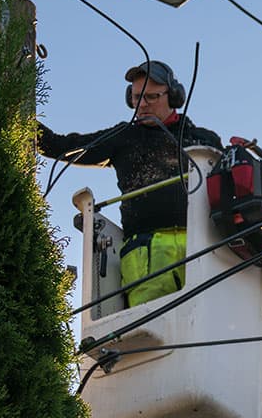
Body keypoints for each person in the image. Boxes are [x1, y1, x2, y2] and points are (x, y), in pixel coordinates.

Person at [39, 60, 222, 308]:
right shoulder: (124, 137)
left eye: (151, 97)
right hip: (146, 253)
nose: (142, 105)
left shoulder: (204, 140)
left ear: (174, 96)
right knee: (154, 335)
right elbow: (64, 147)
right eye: (136, 98)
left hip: (205, 246)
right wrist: (23, 123)